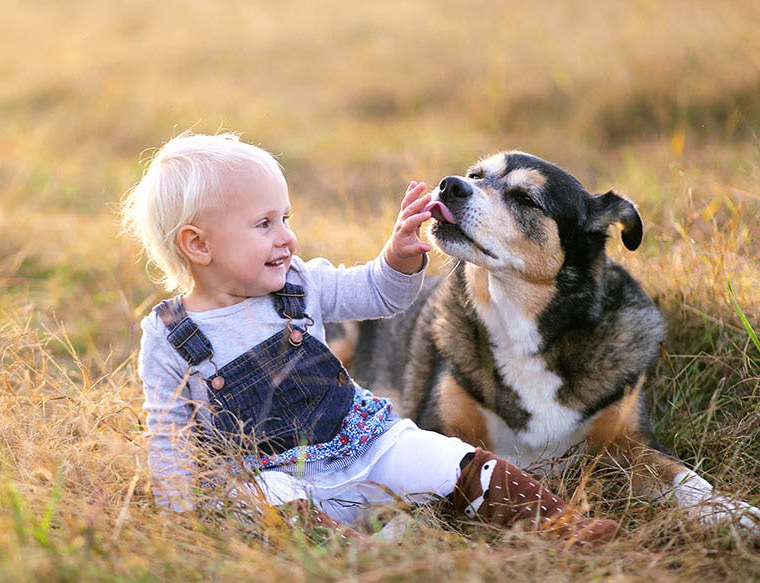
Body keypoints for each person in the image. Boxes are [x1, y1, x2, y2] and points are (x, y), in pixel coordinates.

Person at [119, 132, 617, 545]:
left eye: (285, 219)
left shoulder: (300, 284)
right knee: (259, 502)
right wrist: (179, 513)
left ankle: (563, 527)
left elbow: (378, 295)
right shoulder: (170, 338)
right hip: (281, 476)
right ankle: (356, 557)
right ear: (198, 244)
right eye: (264, 224)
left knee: (452, 461)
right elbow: (169, 432)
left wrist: (398, 257)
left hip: (367, 445)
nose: (286, 237)